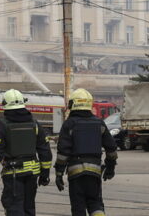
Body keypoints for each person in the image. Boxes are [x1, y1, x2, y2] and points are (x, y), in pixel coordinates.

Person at [0, 89, 52, 216]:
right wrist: (45, 174)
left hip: (13, 174)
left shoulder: (2, 125)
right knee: (29, 209)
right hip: (32, 174)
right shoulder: (35, 124)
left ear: (5, 105)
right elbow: (45, 151)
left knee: (14, 208)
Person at [55, 88, 118, 216]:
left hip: (75, 174)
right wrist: (110, 168)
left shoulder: (69, 124)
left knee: (78, 207)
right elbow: (111, 148)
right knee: (95, 204)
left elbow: (63, 152)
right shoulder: (99, 123)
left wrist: (59, 173)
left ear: (73, 104)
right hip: (94, 173)